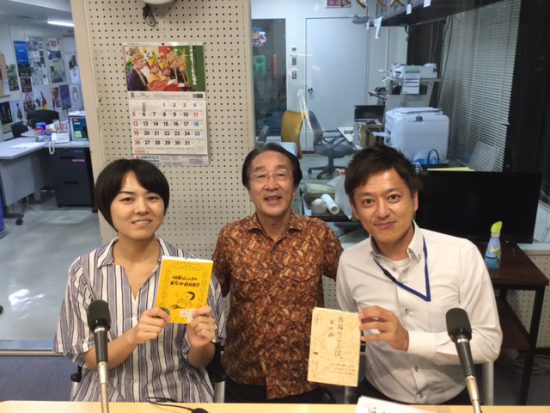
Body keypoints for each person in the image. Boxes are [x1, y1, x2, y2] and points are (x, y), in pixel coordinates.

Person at [336, 145, 502, 405]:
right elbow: (349, 334)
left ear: (414, 199)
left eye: (393, 197)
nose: (382, 212)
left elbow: (489, 343)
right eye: (368, 201)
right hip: (381, 397)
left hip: (450, 399)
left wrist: (408, 340)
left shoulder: (461, 254)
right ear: (355, 210)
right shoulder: (350, 263)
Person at [54, 158, 226, 402]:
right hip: (107, 396)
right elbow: (92, 359)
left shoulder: (192, 270)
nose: (142, 208)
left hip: (177, 396)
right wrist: (132, 337)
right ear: (107, 206)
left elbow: (201, 360)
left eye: (152, 197)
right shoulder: (84, 272)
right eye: (127, 199)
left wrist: (199, 345)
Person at [212, 143, 343, 403]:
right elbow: (211, 295)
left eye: (281, 175)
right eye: (261, 176)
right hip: (246, 375)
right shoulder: (231, 237)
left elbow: (352, 282)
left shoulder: (318, 234)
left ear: (294, 186)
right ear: (249, 190)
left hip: (305, 378)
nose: (271, 184)